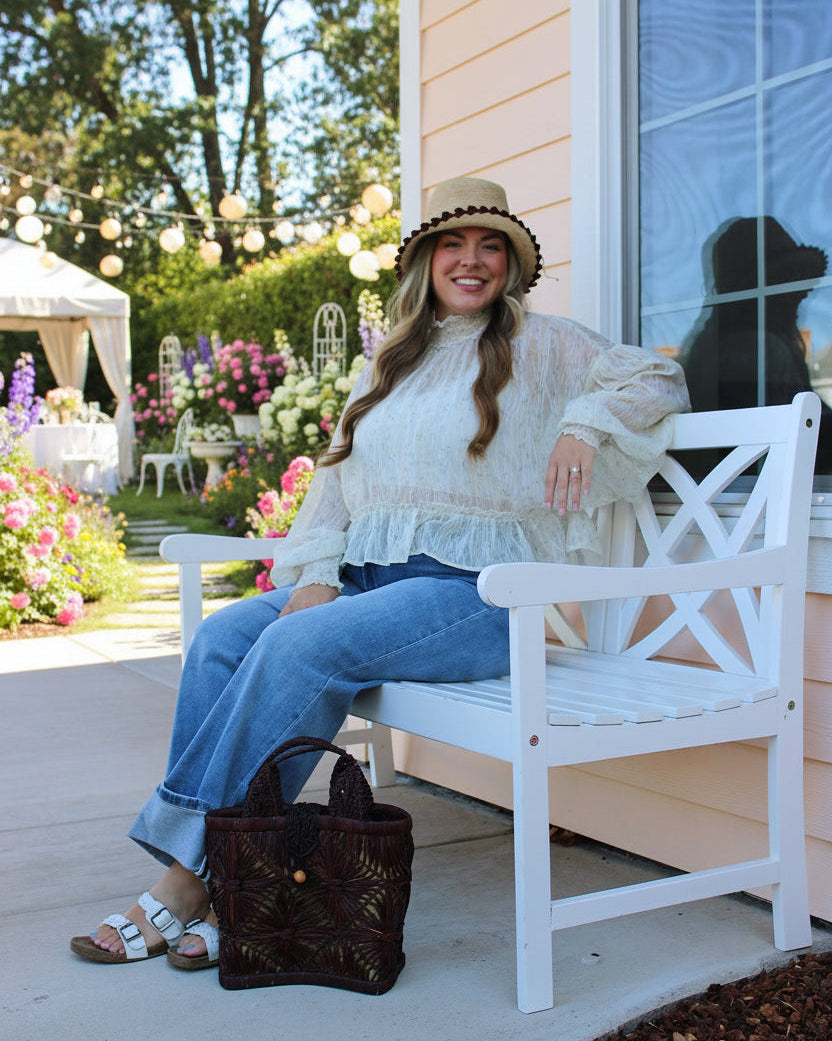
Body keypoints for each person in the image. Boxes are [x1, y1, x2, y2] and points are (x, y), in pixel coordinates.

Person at [71, 176, 690, 968]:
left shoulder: (548, 344)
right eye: (454, 244)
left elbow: (658, 378)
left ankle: (192, 879)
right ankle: (230, 874)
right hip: (367, 580)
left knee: (301, 649)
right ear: (425, 261)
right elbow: (335, 479)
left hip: (477, 594)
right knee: (226, 638)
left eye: (490, 245)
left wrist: (583, 422)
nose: (473, 260)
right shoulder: (390, 364)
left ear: (510, 263)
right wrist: (317, 571)